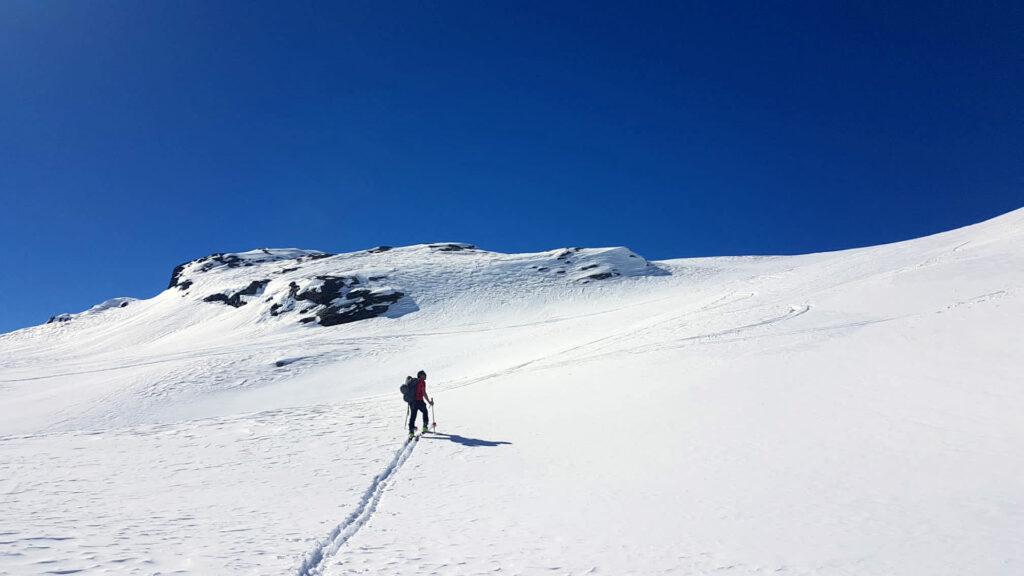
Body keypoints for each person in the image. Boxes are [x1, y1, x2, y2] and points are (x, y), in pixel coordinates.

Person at [408, 370, 433, 436]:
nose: (425, 375)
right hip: (419, 401)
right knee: (425, 412)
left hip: (412, 402)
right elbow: (424, 393)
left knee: (413, 416)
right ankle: (425, 427)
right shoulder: (422, 382)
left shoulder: (413, 382)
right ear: (421, 375)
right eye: (424, 374)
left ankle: (411, 432)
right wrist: (429, 402)